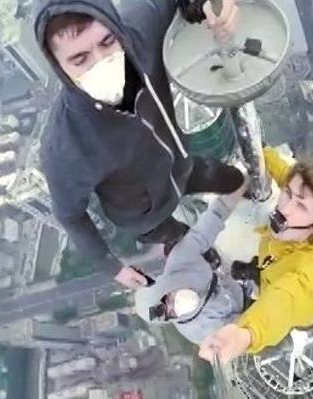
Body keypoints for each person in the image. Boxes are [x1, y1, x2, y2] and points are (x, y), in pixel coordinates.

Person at [34, 0, 244, 289]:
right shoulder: (65, 147)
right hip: (144, 214)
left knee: (234, 180)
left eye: (108, 42)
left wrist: (210, 5)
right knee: (181, 237)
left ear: (117, 28)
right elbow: (70, 215)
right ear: (58, 67)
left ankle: (247, 190)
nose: (102, 62)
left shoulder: (139, 35)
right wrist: (111, 266)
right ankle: (202, 252)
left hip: (182, 164)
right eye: (80, 59)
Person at [198, 147, 313, 364]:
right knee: (263, 270)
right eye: (288, 194)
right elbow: (284, 172)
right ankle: (255, 271)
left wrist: (246, 334)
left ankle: (257, 279)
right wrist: (258, 150)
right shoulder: (300, 203)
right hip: (272, 264)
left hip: (300, 308)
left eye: (301, 206)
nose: (285, 208)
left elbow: (283, 300)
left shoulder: (310, 267)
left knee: (275, 311)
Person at [133, 180, 248, 345]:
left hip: (234, 281)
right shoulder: (201, 332)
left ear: (166, 286)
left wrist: (240, 184)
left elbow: (214, 218)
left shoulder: (181, 260)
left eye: (169, 299)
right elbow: (246, 329)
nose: (176, 305)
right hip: (247, 309)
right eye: (170, 313)